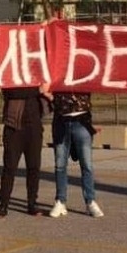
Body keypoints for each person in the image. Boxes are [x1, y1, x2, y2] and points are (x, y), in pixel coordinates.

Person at [44, 89, 102, 218]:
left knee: (86, 164)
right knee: (60, 165)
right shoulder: (58, 77)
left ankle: (90, 201)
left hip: (82, 120)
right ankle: (60, 201)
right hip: (61, 120)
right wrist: (48, 95)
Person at [0, 85, 48, 218]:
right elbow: (10, 92)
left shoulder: (38, 77)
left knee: (34, 167)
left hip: (34, 127)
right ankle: (3, 205)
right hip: (14, 128)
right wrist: (38, 90)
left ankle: (32, 203)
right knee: (9, 168)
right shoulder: (12, 77)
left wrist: (48, 95)